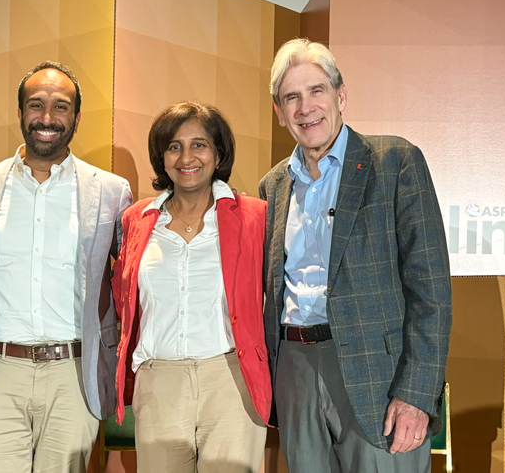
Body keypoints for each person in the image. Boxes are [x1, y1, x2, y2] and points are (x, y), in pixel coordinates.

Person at [259, 38, 452, 472]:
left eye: (316, 91)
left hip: (378, 378)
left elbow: (432, 292)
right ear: (279, 112)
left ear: (340, 95)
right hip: (295, 371)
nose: (305, 107)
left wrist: (416, 394)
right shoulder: (273, 186)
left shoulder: (395, 162)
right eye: (291, 97)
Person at [0, 61, 132, 472]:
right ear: (20, 113)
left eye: (61, 106)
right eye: (36, 105)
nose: (47, 118)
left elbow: (129, 278)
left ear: (75, 117)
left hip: (74, 373)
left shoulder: (111, 191)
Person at [111, 101, 270, 473]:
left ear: (218, 153)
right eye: (174, 146)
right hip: (158, 383)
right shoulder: (137, 220)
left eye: (199, 144)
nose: (186, 157)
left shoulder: (254, 217)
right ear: (162, 157)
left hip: (231, 381)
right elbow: (124, 300)